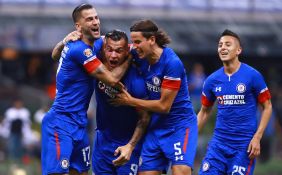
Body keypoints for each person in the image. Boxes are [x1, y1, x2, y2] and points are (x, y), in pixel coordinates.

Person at [41, 4, 129, 175]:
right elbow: (111, 79)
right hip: (61, 123)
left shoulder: (91, 45)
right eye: (89, 19)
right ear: (78, 26)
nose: (95, 22)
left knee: (81, 172)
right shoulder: (79, 49)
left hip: (79, 125)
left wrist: (62, 41)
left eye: (96, 17)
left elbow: (54, 55)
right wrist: (129, 59)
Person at [110, 19, 198, 175]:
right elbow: (112, 44)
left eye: (138, 42)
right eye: (133, 42)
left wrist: (130, 101)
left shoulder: (172, 63)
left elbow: (164, 106)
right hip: (156, 127)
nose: (134, 46)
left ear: (152, 40)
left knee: (180, 172)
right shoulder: (140, 55)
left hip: (178, 126)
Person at [197, 29, 272, 175]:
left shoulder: (252, 76)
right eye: (220, 45)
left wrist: (257, 137)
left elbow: (267, 107)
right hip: (218, 145)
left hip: (243, 147)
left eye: (227, 44)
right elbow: (204, 112)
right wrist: (189, 138)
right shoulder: (212, 80)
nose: (223, 48)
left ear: (238, 50)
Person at [92, 29, 150, 175]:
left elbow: (145, 118)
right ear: (103, 49)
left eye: (118, 51)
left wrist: (130, 146)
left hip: (127, 146)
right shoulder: (97, 66)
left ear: (126, 52)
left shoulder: (136, 83)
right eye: (109, 50)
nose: (113, 55)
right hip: (102, 145)